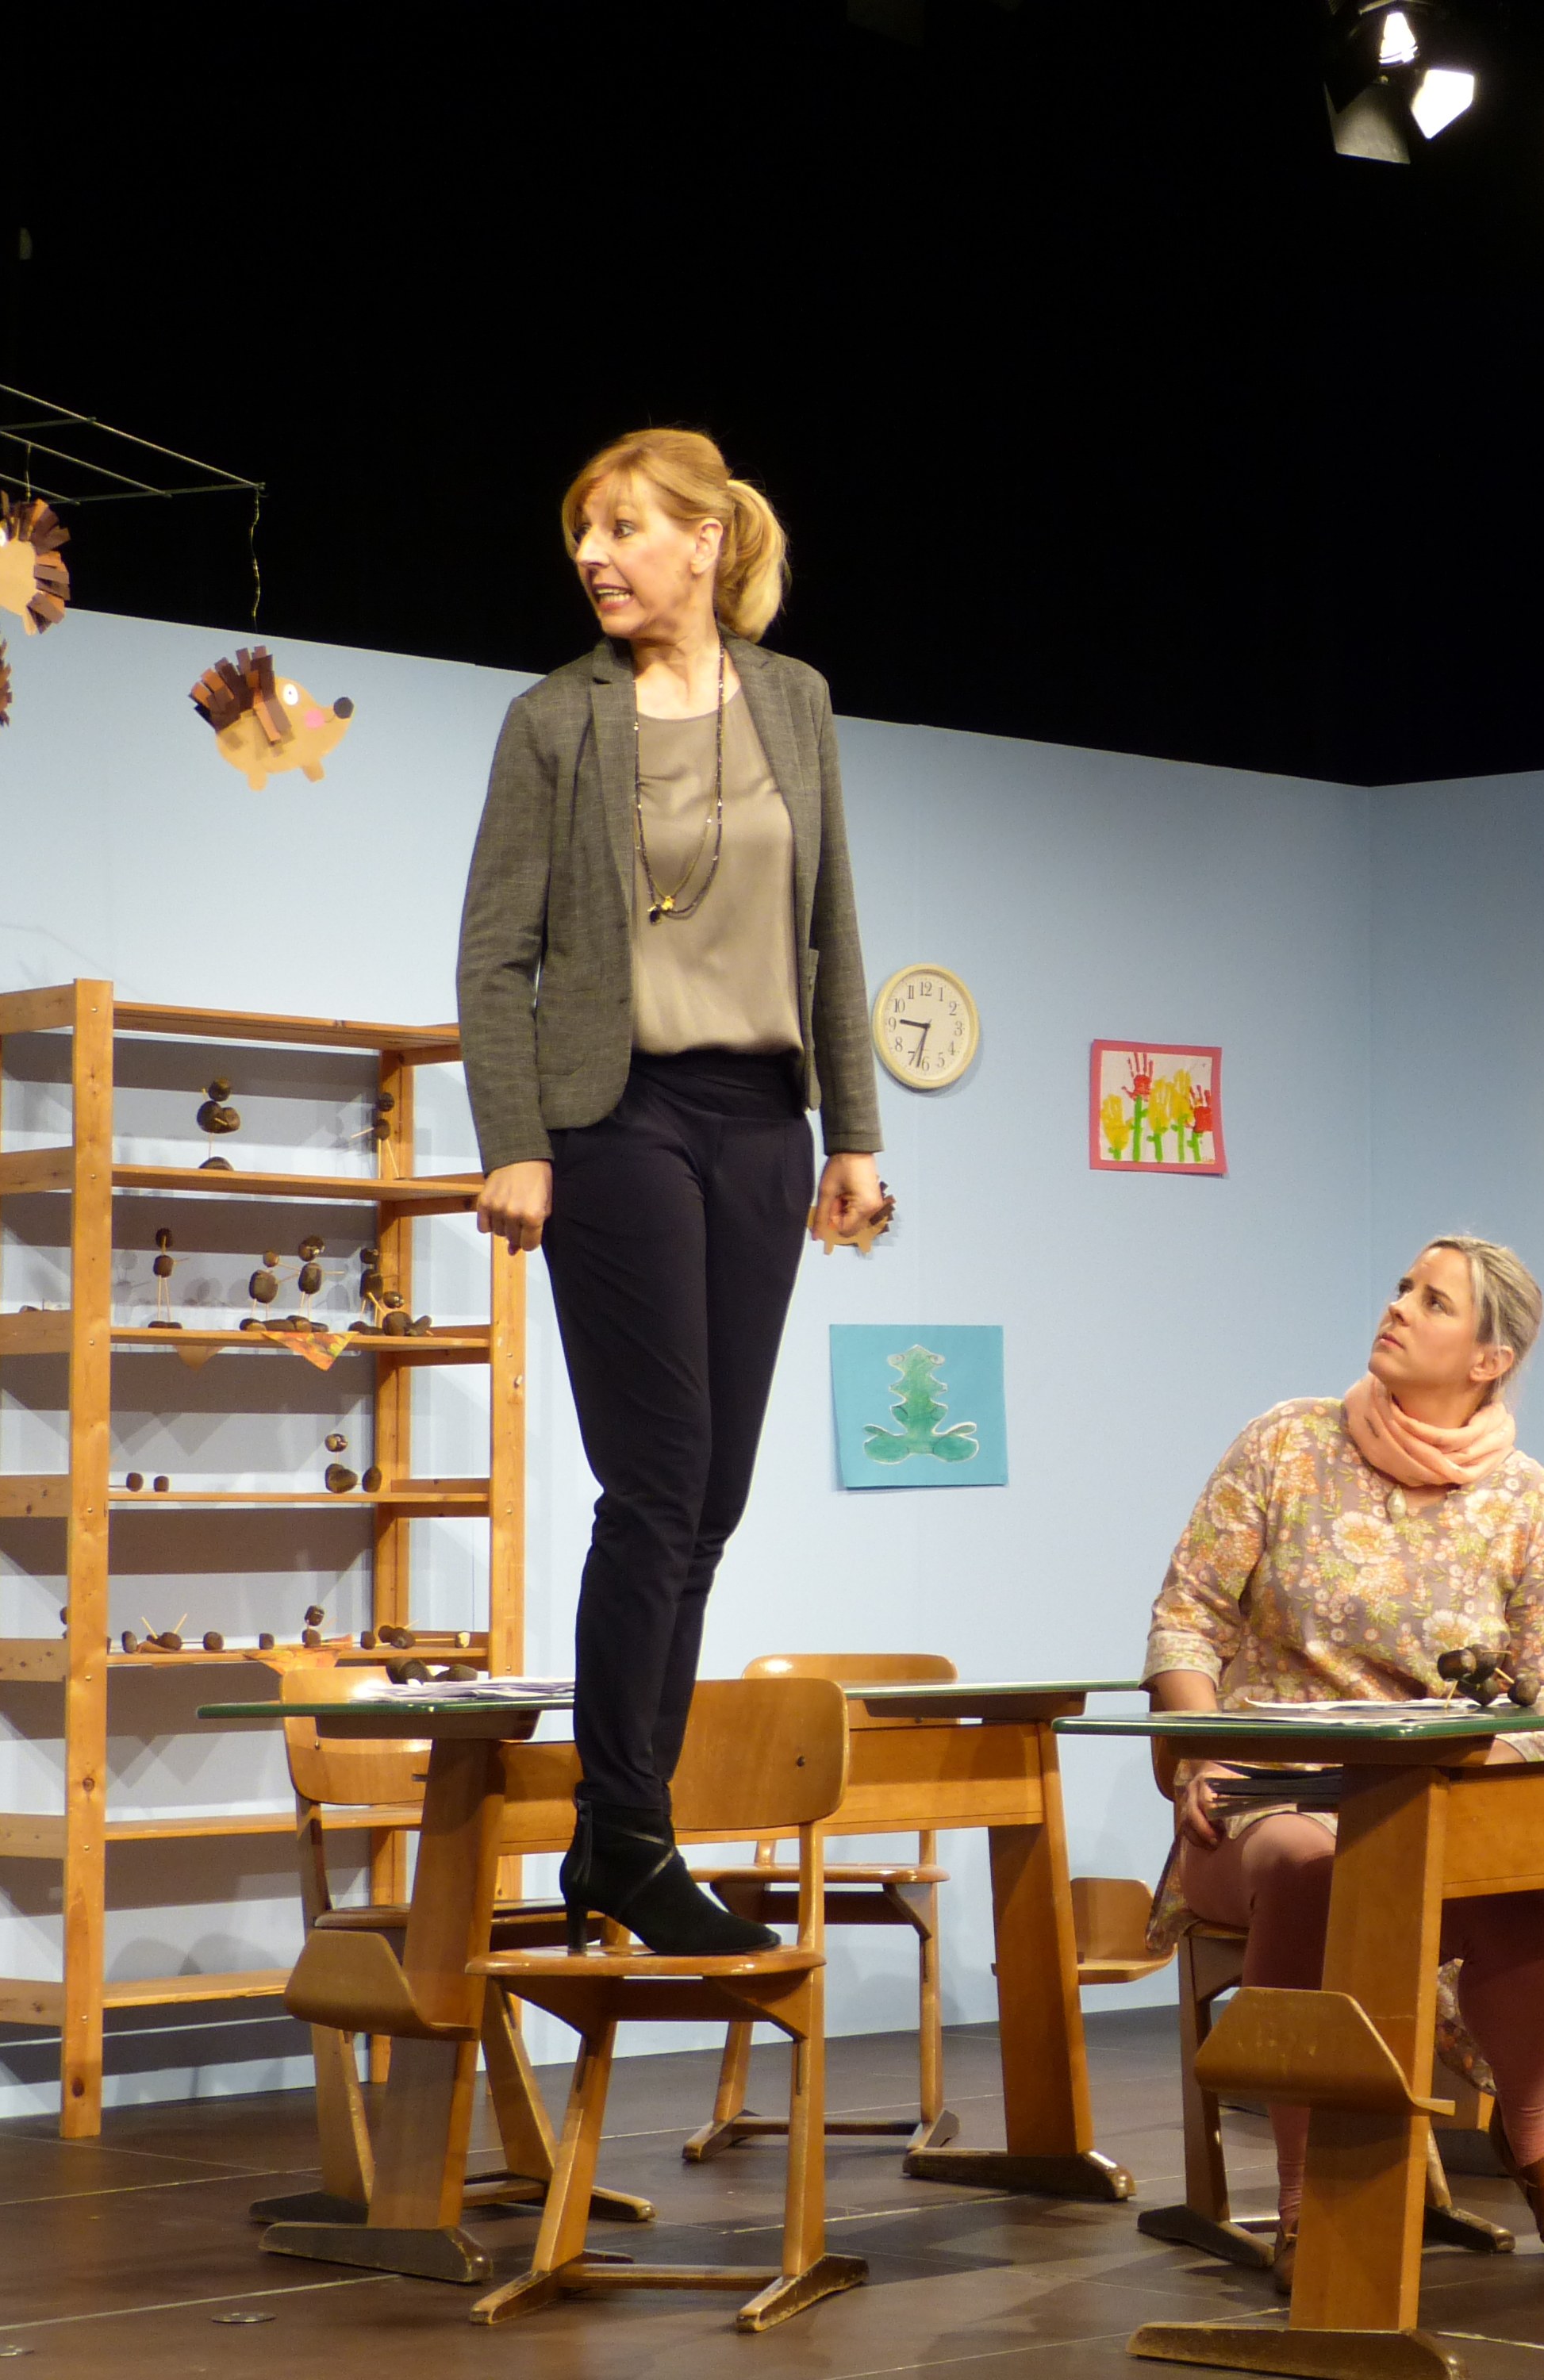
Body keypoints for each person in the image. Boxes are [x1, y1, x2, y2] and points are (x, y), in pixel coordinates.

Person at [457, 428, 885, 1955]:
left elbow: (832, 925)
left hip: (764, 1120)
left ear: (706, 541)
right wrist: (516, 1141)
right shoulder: (553, 722)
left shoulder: (795, 702)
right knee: (657, 1479)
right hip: (619, 1113)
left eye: (627, 526)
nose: (596, 554)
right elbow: (494, 955)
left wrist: (856, 1131)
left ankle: (617, 1836)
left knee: (714, 1496)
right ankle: (629, 1828)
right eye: (584, 530)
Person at [1144, 1237, 1544, 2290]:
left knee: (1524, 1879)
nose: (1398, 1307)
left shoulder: (1526, 1498)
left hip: (1438, 1796)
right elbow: (1187, 1618)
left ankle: (1532, 2139)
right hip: (1267, 1795)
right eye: (1404, 1288)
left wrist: (1491, 1774)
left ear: (1489, 1359)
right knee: (1316, 1868)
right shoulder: (1285, 1444)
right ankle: (1308, 2201)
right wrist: (1202, 1752)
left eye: (1432, 1301)